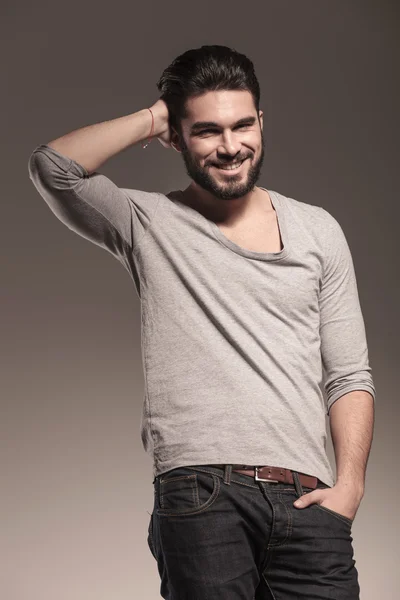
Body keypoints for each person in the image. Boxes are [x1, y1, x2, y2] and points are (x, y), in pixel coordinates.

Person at [28, 45, 376, 600]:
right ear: (177, 138)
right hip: (201, 495)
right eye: (207, 131)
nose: (231, 146)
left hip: (309, 502)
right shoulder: (147, 222)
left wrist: (351, 484)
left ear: (262, 122)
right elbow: (54, 167)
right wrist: (156, 114)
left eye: (243, 125)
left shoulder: (318, 231)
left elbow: (349, 375)